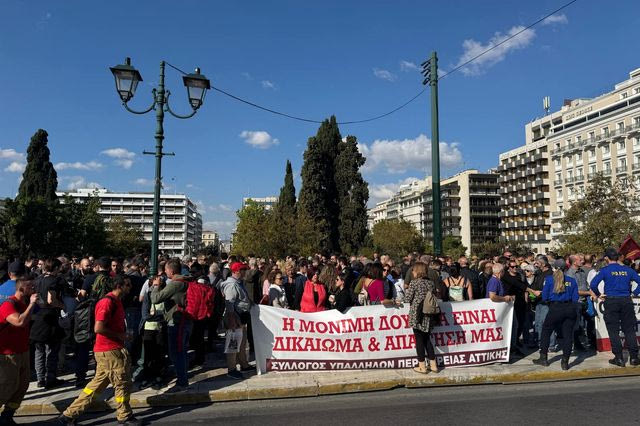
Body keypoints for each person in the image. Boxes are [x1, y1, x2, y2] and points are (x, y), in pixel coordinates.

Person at [59, 275, 140, 426]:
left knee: (96, 386)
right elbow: (99, 328)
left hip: (111, 349)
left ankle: (69, 415)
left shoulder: (117, 302)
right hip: (110, 350)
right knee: (122, 383)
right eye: (127, 285)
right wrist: (120, 335)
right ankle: (124, 416)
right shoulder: (107, 302)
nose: (130, 288)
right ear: (119, 286)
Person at [589, 248, 640, 367]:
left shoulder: (604, 270)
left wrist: (598, 295)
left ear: (606, 258)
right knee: (629, 330)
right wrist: (635, 293)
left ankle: (619, 358)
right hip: (626, 300)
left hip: (611, 301)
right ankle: (634, 358)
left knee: (613, 330)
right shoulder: (627, 270)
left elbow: (593, 284)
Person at [0, 276, 38, 425]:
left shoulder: (24, 303)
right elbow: (19, 322)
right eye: (31, 287)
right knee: (6, 388)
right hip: (8, 355)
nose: (34, 289)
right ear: (22, 289)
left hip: (22, 352)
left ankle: (7, 417)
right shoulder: (8, 304)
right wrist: (32, 304)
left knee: (22, 386)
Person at [532, 267, 579, 370]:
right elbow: (575, 298)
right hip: (569, 308)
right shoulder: (571, 280)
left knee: (546, 331)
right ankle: (565, 362)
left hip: (555, 307)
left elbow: (544, 296)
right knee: (568, 335)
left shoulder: (549, 279)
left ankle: (543, 358)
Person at [30, 258, 65, 389]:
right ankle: (50, 378)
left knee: (39, 350)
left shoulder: (37, 280)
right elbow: (51, 300)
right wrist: (62, 305)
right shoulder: (54, 281)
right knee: (52, 349)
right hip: (50, 317)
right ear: (55, 268)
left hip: (38, 317)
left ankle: (40, 379)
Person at [403, 262, 439, 374]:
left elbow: (407, 299)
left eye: (413, 270)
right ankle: (433, 365)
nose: (412, 272)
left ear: (417, 271)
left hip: (417, 314)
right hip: (428, 313)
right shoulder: (430, 283)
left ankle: (422, 366)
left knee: (419, 340)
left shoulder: (414, 283)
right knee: (427, 339)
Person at [221, 262, 253, 380]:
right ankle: (231, 369)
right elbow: (230, 305)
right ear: (235, 271)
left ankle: (244, 365)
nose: (245, 272)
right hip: (235, 319)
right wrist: (233, 321)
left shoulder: (238, 283)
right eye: (242, 269)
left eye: (245, 269)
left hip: (240, 319)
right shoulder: (232, 285)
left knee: (242, 344)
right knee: (233, 345)